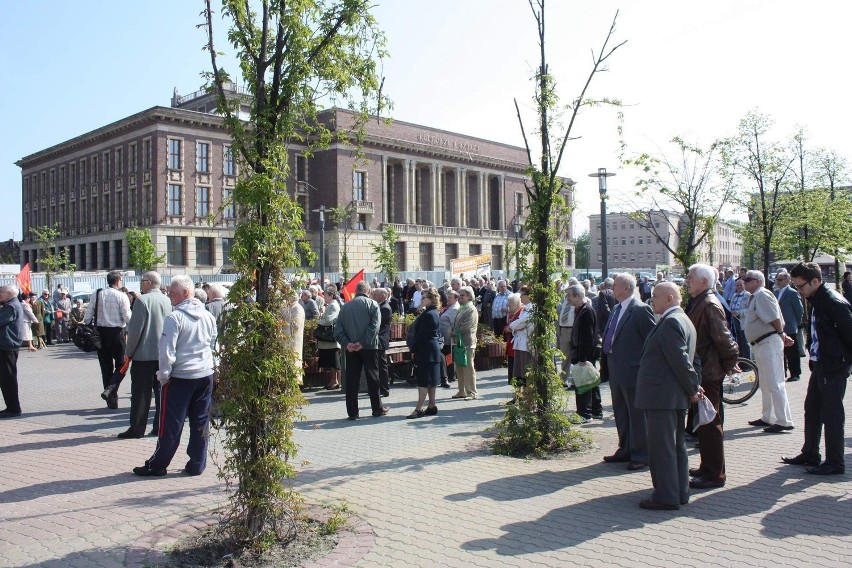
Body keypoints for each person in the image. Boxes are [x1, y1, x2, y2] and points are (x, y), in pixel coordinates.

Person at [132, 275, 218, 476]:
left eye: (172, 292)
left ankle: (158, 464)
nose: (169, 295)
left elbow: (166, 351)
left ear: (185, 293)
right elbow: (214, 344)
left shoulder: (175, 317)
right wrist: (214, 366)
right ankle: (198, 463)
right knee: (200, 421)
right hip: (205, 374)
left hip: (181, 376)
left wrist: (163, 376)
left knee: (170, 424)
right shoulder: (207, 316)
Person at [635, 282, 701, 510]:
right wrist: (692, 386)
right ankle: (679, 491)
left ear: (670, 298)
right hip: (669, 395)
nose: (652, 300)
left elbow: (680, 361)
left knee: (662, 448)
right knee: (675, 446)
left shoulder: (672, 321)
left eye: (655, 296)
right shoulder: (680, 319)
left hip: (662, 396)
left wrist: (693, 388)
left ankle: (666, 495)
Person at [782, 262, 852, 475]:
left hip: (833, 366)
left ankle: (835, 462)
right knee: (812, 409)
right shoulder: (817, 299)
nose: (799, 291)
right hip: (821, 364)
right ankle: (811, 452)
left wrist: (841, 363)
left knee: (832, 414)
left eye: (800, 286)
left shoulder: (833, 302)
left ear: (815, 281)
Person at [684, 263, 739, 490]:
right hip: (701, 370)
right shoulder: (699, 301)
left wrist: (731, 364)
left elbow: (724, 339)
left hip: (708, 371)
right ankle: (707, 467)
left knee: (710, 422)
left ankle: (715, 474)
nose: (686, 281)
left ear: (704, 282)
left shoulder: (709, 304)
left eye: (690, 277)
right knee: (703, 423)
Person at [602, 273, 656, 471]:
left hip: (633, 369)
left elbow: (651, 340)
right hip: (615, 365)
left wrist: (643, 366)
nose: (611, 288)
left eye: (615, 285)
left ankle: (642, 454)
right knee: (621, 411)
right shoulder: (617, 308)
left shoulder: (640, 310)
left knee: (636, 414)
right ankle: (625, 448)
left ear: (626, 288)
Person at [110, 271, 172, 439]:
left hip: (143, 355)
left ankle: (137, 429)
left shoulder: (142, 301)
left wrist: (127, 353)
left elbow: (135, 331)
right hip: (162, 355)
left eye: (142, 281)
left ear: (149, 283)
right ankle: (159, 427)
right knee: (160, 393)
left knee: (140, 394)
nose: (140, 284)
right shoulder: (168, 300)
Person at [742, 270, 795, 433]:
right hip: (761, 343)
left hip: (768, 342)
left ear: (758, 281)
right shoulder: (756, 296)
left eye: (748, 279)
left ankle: (784, 420)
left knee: (775, 382)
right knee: (765, 383)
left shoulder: (762, 295)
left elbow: (774, 317)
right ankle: (768, 416)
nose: (744, 282)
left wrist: (781, 334)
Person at [333, 280, 388, 420]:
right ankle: (377, 409)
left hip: (351, 349)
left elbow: (337, 330)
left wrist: (348, 344)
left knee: (351, 380)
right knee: (373, 378)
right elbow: (375, 327)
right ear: (368, 291)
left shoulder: (345, 307)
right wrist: (362, 343)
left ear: (356, 291)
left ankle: (352, 412)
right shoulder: (373, 304)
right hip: (369, 347)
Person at [85, 271, 132, 409]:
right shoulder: (121, 296)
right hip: (117, 333)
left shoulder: (97, 293)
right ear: (118, 281)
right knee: (122, 364)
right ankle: (111, 389)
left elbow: (88, 315)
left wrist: (86, 324)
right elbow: (128, 317)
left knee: (105, 367)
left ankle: (111, 400)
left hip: (100, 333)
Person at [566, 284, 602, 421]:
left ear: (578, 296)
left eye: (570, 295)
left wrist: (582, 357)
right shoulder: (580, 309)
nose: (567, 298)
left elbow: (588, 336)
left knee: (583, 383)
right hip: (582, 353)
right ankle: (596, 410)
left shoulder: (586, 311)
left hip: (584, 354)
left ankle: (584, 413)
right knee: (591, 382)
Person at [406, 287, 442, 418]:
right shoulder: (431, 312)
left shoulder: (429, 314)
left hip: (426, 350)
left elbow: (422, 335)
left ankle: (419, 409)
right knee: (431, 380)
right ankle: (431, 405)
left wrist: (413, 349)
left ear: (431, 299)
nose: (421, 300)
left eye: (423, 298)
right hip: (431, 350)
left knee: (423, 381)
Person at [773, 271, 804, 382]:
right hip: (779, 326)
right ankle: (783, 372)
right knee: (781, 351)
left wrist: (795, 322)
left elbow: (799, 310)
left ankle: (795, 373)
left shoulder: (792, 293)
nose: (778, 281)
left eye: (780, 279)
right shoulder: (775, 292)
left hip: (790, 326)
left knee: (792, 352)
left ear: (788, 280)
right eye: (777, 279)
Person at [0, 285, 25, 418]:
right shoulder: (12, 305)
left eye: (1, 293)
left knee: (8, 377)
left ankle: (13, 408)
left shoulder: (11, 307)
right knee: (6, 377)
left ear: (9, 293)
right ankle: (11, 407)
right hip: (7, 345)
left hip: (7, 345)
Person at [451, 286, 480, 400]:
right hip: (459, 342)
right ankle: (461, 390)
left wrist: (454, 332)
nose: (459, 298)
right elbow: (455, 323)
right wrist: (452, 330)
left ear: (469, 296)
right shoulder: (462, 308)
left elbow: (466, 326)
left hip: (468, 342)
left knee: (468, 367)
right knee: (459, 367)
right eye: (459, 296)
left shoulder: (471, 309)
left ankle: (472, 392)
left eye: (462, 295)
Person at [508, 286, 533, 395]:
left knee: (527, 374)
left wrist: (514, 326)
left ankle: (528, 400)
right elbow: (517, 324)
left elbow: (521, 322)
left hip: (526, 345)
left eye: (522, 295)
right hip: (520, 344)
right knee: (520, 373)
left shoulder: (532, 308)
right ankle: (522, 398)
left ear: (528, 295)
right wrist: (515, 327)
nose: (520, 298)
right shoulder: (525, 308)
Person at [317, 286, 342, 390]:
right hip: (328, 340)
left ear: (331, 295)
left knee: (334, 361)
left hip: (331, 338)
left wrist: (318, 321)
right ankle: (333, 380)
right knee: (330, 361)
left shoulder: (334, 305)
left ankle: (337, 381)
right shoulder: (331, 304)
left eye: (325, 295)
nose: (324, 297)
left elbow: (329, 320)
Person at [281, 286, 306, 387]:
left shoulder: (297, 308)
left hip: (293, 341)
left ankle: (293, 385)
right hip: (288, 340)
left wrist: (284, 322)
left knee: (293, 363)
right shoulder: (291, 307)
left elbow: (295, 326)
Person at [372, 287, 392, 397]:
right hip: (378, 340)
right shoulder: (380, 306)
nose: (373, 296)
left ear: (383, 296)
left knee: (381, 365)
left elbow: (379, 325)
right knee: (379, 365)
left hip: (380, 340)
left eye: (375, 294)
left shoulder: (385, 308)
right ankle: (381, 388)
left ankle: (385, 389)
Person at [439, 289, 460, 388]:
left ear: (456, 299)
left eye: (450, 297)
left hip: (448, 338)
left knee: (449, 356)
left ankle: (451, 375)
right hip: (444, 336)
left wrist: (452, 334)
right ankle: (448, 374)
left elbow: (454, 323)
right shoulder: (449, 307)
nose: (448, 299)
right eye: (448, 297)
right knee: (447, 355)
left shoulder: (455, 309)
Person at [556, 285, 576, 387]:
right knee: (564, 357)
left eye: (569, 294)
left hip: (573, 330)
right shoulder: (564, 302)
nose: (567, 296)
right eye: (566, 294)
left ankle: (575, 381)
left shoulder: (577, 303)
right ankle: (563, 380)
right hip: (563, 331)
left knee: (575, 358)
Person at [728, 278, 751, 360]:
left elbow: (750, 310)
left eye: (741, 285)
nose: (739, 287)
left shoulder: (748, 295)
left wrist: (739, 312)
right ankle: (741, 361)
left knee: (745, 343)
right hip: (734, 321)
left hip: (743, 321)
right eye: (737, 285)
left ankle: (747, 363)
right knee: (738, 342)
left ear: (744, 285)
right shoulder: (734, 295)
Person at [503, 293, 522, 388]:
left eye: (510, 304)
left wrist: (509, 328)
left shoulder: (521, 312)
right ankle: (516, 396)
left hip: (516, 347)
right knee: (512, 372)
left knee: (517, 373)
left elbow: (517, 327)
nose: (508, 306)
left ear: (516, 303)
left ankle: (519, 397)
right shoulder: (512, 314)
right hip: (511, 346)